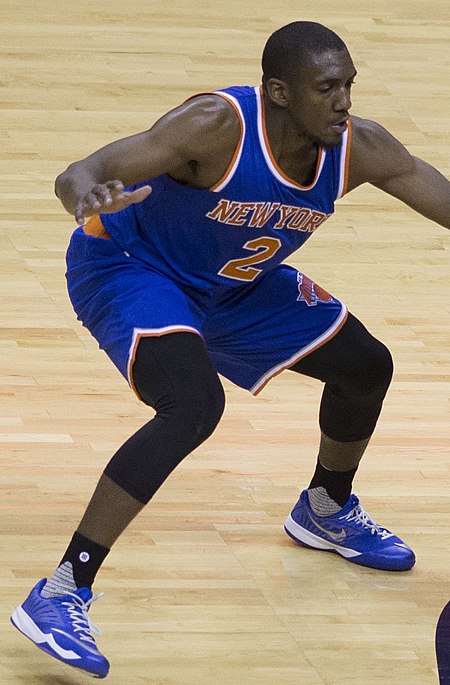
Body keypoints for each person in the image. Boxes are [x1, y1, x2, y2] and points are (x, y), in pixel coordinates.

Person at [10, 20, 450, 679]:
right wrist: (86, 194)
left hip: (236, 283)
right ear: (277, 91)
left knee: (365, 365)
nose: (344, 101)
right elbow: (82, 171)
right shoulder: (215, 127)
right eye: (327, 87)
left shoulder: (359, 148)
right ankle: (62, 589)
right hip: (134, 268)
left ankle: (325, 508)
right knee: (191, 404)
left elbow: (435, 192)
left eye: (349, 85)